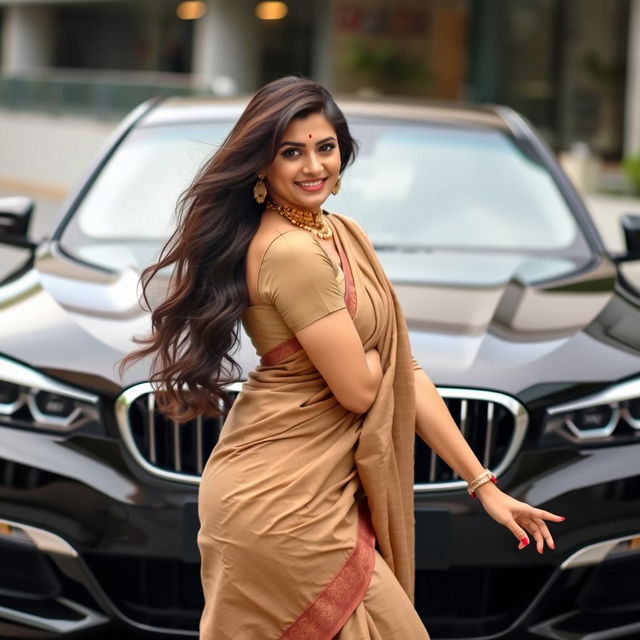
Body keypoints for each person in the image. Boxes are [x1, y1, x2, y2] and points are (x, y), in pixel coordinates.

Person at [120, 75, 566, 639]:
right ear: (262, 165)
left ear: (342, 152)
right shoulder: (290, 252)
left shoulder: (342, 233)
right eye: (291, 152)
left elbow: (400, 369)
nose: (313, 166)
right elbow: (361, 389)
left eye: (324, 148)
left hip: (320, 493)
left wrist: (484, 485)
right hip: (279, 502)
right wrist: (376, 361)